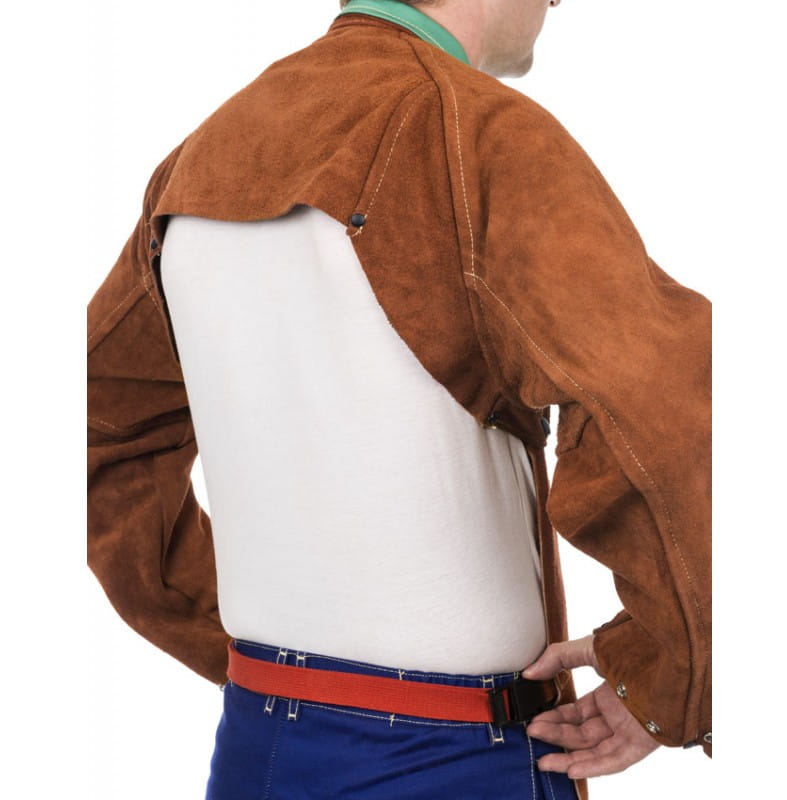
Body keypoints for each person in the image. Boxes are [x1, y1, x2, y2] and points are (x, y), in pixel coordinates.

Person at [86, 1, 712, 797]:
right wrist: (673, 683)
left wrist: (245, 642)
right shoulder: (481, 135)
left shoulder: (201, 158)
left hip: (255, 746)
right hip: (452, 757)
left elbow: (93, 429)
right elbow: (665, 418)